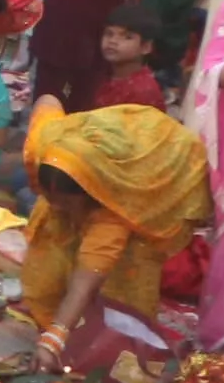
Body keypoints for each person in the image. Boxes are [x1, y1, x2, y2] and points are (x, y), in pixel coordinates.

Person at [19, 99, 212, 364]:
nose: (57, 207)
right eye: (49, 197)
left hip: (158, 165)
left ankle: (124, 344)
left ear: (90, 195)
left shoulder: (118, 208)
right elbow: (48, 100)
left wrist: (53, 340)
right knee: (51, 247)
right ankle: (59, 324)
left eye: (66, 202)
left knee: (123, 279)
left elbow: (87, 276)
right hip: (99, 152)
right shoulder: (47, 144)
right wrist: (53, 333)